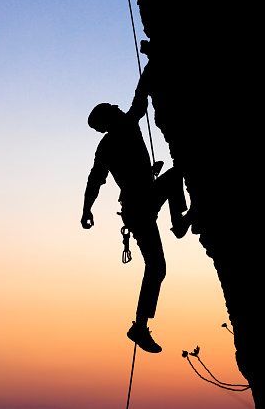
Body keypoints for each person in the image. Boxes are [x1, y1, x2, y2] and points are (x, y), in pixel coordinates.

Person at [81, 82, 191, 353]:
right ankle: (178, 223)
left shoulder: (108, 144)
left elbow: (97, 179)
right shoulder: (125, 126)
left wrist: (87, 209)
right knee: (156, 266)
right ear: (107, 119)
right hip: (140, 205)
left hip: (137, 206)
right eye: (111, 108)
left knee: (156, 267)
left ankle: (140, 326)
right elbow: (139, 102)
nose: (117, 108)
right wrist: (149, 76)